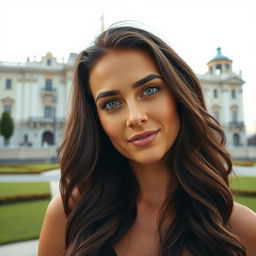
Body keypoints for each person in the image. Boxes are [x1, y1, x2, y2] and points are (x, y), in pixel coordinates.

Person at [38, 24, 256, 256]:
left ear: (179, 94)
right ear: (96, 120)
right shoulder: (69, 216)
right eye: (111, 103)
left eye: (149, 90)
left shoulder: (242, 229)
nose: (135, 117)